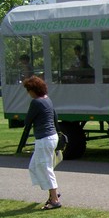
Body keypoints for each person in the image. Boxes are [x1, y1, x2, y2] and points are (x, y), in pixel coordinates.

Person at [22, 76, 62, 209]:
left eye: (28, 90)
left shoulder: (36, 102)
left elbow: (27, 121)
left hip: (44, 139)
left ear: (33, 90)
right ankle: (52, 192)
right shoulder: (47, 100)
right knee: (34, 167)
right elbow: (55, 118)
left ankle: (54, 199)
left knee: (45, 168)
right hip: (51, 137)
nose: (28, 93)